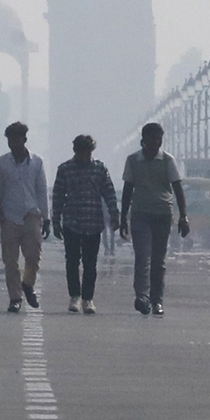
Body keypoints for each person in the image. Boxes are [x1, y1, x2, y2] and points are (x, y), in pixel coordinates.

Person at [119, 122, 190, 316]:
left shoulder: (167, 161)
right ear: (143, 140)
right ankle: (142, 296)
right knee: (142, 257)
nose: (155, 144)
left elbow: (177, 189)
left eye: (158, 140)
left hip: (162, 214)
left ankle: (157, 300)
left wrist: (184, 216)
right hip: (140, 213)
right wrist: (123, 217)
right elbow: (127, 189)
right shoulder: (133, 160)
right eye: (151, 139)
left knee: (159, 260)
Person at [50, 134, 120, 314]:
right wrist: (55, 221)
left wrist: (114, 214)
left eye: (88, 152)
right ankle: (75, 296)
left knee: (90, 263)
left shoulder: (99, 168)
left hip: (93, 221)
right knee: (72, 261)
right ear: (75, 151)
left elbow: (109, 192)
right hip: (72, 221)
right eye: (82, 152)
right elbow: (58, 196)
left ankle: (88, 298)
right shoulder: (65, 169)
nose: (85, 156)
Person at [0, 121, 49, 313]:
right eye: (10, 140)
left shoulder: (37, 162)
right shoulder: (2, 163)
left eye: (16, 139)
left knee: (33, 256)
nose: (13, 143)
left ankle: (28, 283)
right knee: (10, 260)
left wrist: (46, 218)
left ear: (24, 139)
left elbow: (41, 191)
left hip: (31, 214)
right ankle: (15, 297)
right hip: (8, 216)